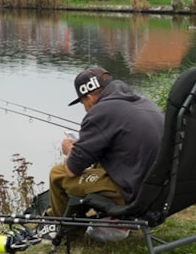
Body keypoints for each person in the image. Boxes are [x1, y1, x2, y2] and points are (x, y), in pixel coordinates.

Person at [45, 66, 165, 221]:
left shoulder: (100, 112)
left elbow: (71, 170)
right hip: (160, 188)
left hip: (136, 193)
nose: (86, 110)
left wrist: (70, 151)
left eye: (83, 103)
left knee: (57, 173)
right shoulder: (144, 103)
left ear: (90, 97)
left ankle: (64, 228)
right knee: (99, 163)